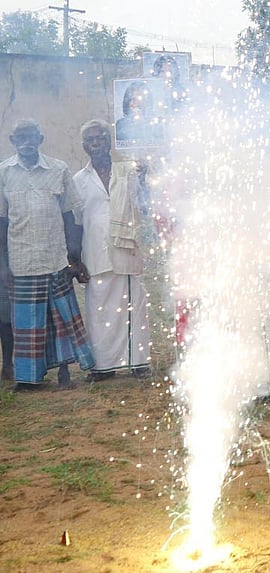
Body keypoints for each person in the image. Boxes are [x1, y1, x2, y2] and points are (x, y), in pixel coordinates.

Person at [0, 119, 94, 390]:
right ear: (12, 141)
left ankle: (65, 373)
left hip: (55, 258)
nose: (26, 143)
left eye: (31, 137)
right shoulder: (4, 172)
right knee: (27, 325)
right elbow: (1, 222)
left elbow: (71, 217)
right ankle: (28, 379)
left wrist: (73, 258)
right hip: (21, 260)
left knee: (60, 320)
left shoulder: (58, 169)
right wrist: (3, 266)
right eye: (21, 138)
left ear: (41, 139)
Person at [72, 120, 151, 381]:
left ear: (109, 142)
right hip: (95, 253)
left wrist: (145, 175)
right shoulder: (78, 180)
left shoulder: (127, 170)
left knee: (133, 306)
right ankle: (104, 367)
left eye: (102, 139)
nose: (97, 144)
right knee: (99, 311)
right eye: (91, 140)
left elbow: (143, 201)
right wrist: (75, 260)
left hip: (126, 249)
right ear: (85, 146)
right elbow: (76, 222)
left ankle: (138, 362)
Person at [115, 80, 165, 147]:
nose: (133, 104)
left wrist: (142, 124)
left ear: (147, 102)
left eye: (139, 100)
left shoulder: (158, 124)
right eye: (130, 99)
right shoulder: (120, 125)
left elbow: (158, 146)